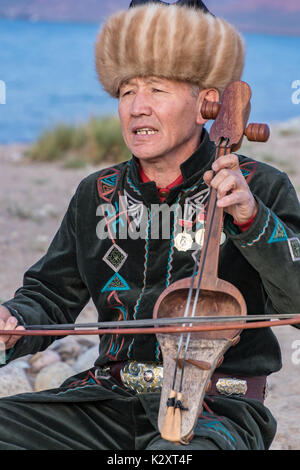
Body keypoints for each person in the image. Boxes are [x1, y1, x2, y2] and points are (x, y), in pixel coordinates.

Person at [0, 0, 300, 451]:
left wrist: (251, 220)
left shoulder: (260, 187)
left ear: (206, 103)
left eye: (157, 89)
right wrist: (12, 322)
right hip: (106, 399)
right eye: (126, 91)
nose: (138, 107)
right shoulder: (95, 193)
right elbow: (50, 296)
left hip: (217, 412)